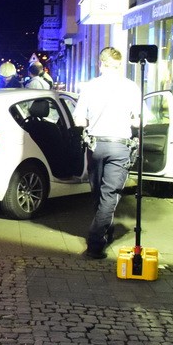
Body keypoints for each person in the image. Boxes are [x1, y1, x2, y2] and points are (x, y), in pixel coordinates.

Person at [73, 47, 141, 259]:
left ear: (101, 64)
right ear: (120, 65)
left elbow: (78, 119)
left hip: (96, 146)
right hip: (120, 146)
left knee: (98, 193)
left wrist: (92, 121)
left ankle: (103, 233)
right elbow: (139, 120)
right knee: (110, 195)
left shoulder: (91, 87)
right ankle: (95, 243)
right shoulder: (131, 87)